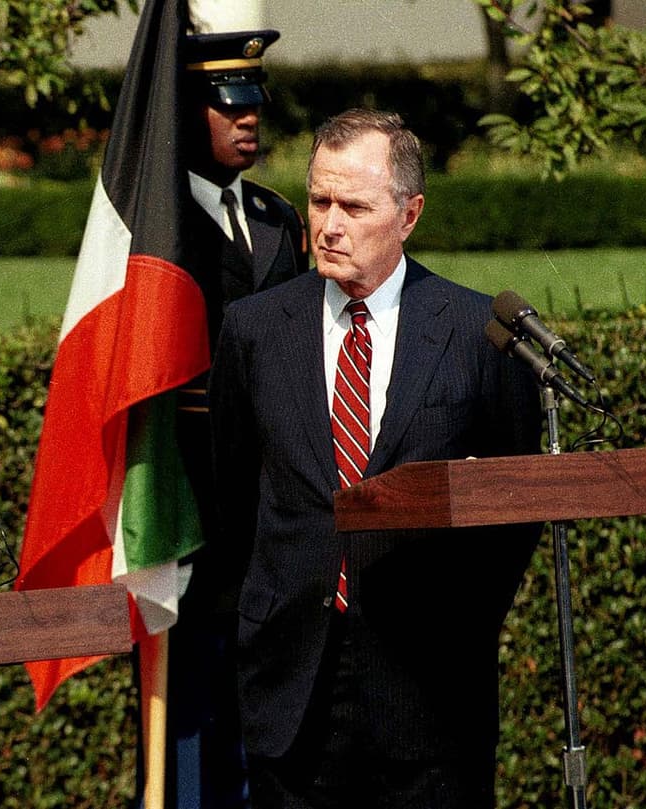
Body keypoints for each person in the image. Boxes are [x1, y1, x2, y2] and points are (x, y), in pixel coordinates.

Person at [209, 109, 541, 808]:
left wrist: (456, 623)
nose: (329, 225)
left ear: (409, 214)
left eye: (354, 206)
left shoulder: (480, 337)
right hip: (291, 690)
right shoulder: (255, 330)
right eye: (320, 200)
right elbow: (234, 499)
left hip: (431, 694)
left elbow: (515, 514)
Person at [163, 16, 309, 809]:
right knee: (190, 731)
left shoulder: (281, 222)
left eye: (254, 98)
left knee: (268, 726)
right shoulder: (159, 234)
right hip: (189, 520)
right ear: (188, 109)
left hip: (270, 524)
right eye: (228, 101)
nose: (249, 115)